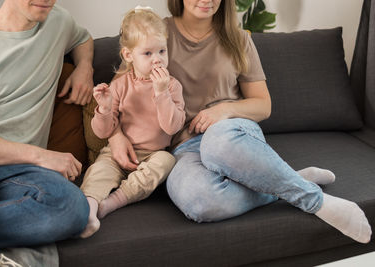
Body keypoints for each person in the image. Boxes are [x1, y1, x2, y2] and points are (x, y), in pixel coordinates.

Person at [108, 0, 372, 244]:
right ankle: (289, 180)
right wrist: (115, 135)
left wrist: (223, 110)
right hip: (183, 146)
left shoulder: (238, 38)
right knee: (199, 203)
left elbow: (263, 105)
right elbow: (119, 90)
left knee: (217, 143)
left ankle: (315, 201)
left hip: (232, 135)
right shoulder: (156, 31)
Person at [0, 0, 94, 250]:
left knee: (71, 207)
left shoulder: (57, 21)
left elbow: (83, 39)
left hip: (22, 174)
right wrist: (41, 156)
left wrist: (84, 68)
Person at [79, 6, 186, 238]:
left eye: (161, 51)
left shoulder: (172, 86)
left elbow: (172, 127)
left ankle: (113, 203)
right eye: (147, 54)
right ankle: (89, 209)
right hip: (117, 153)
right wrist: (105, 109)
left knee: (166, 161)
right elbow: (102, 132)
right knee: (99, 170)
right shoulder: (120, 85)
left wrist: (161, 93)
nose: (157, 60)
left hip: (153, 154)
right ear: (129, 55)